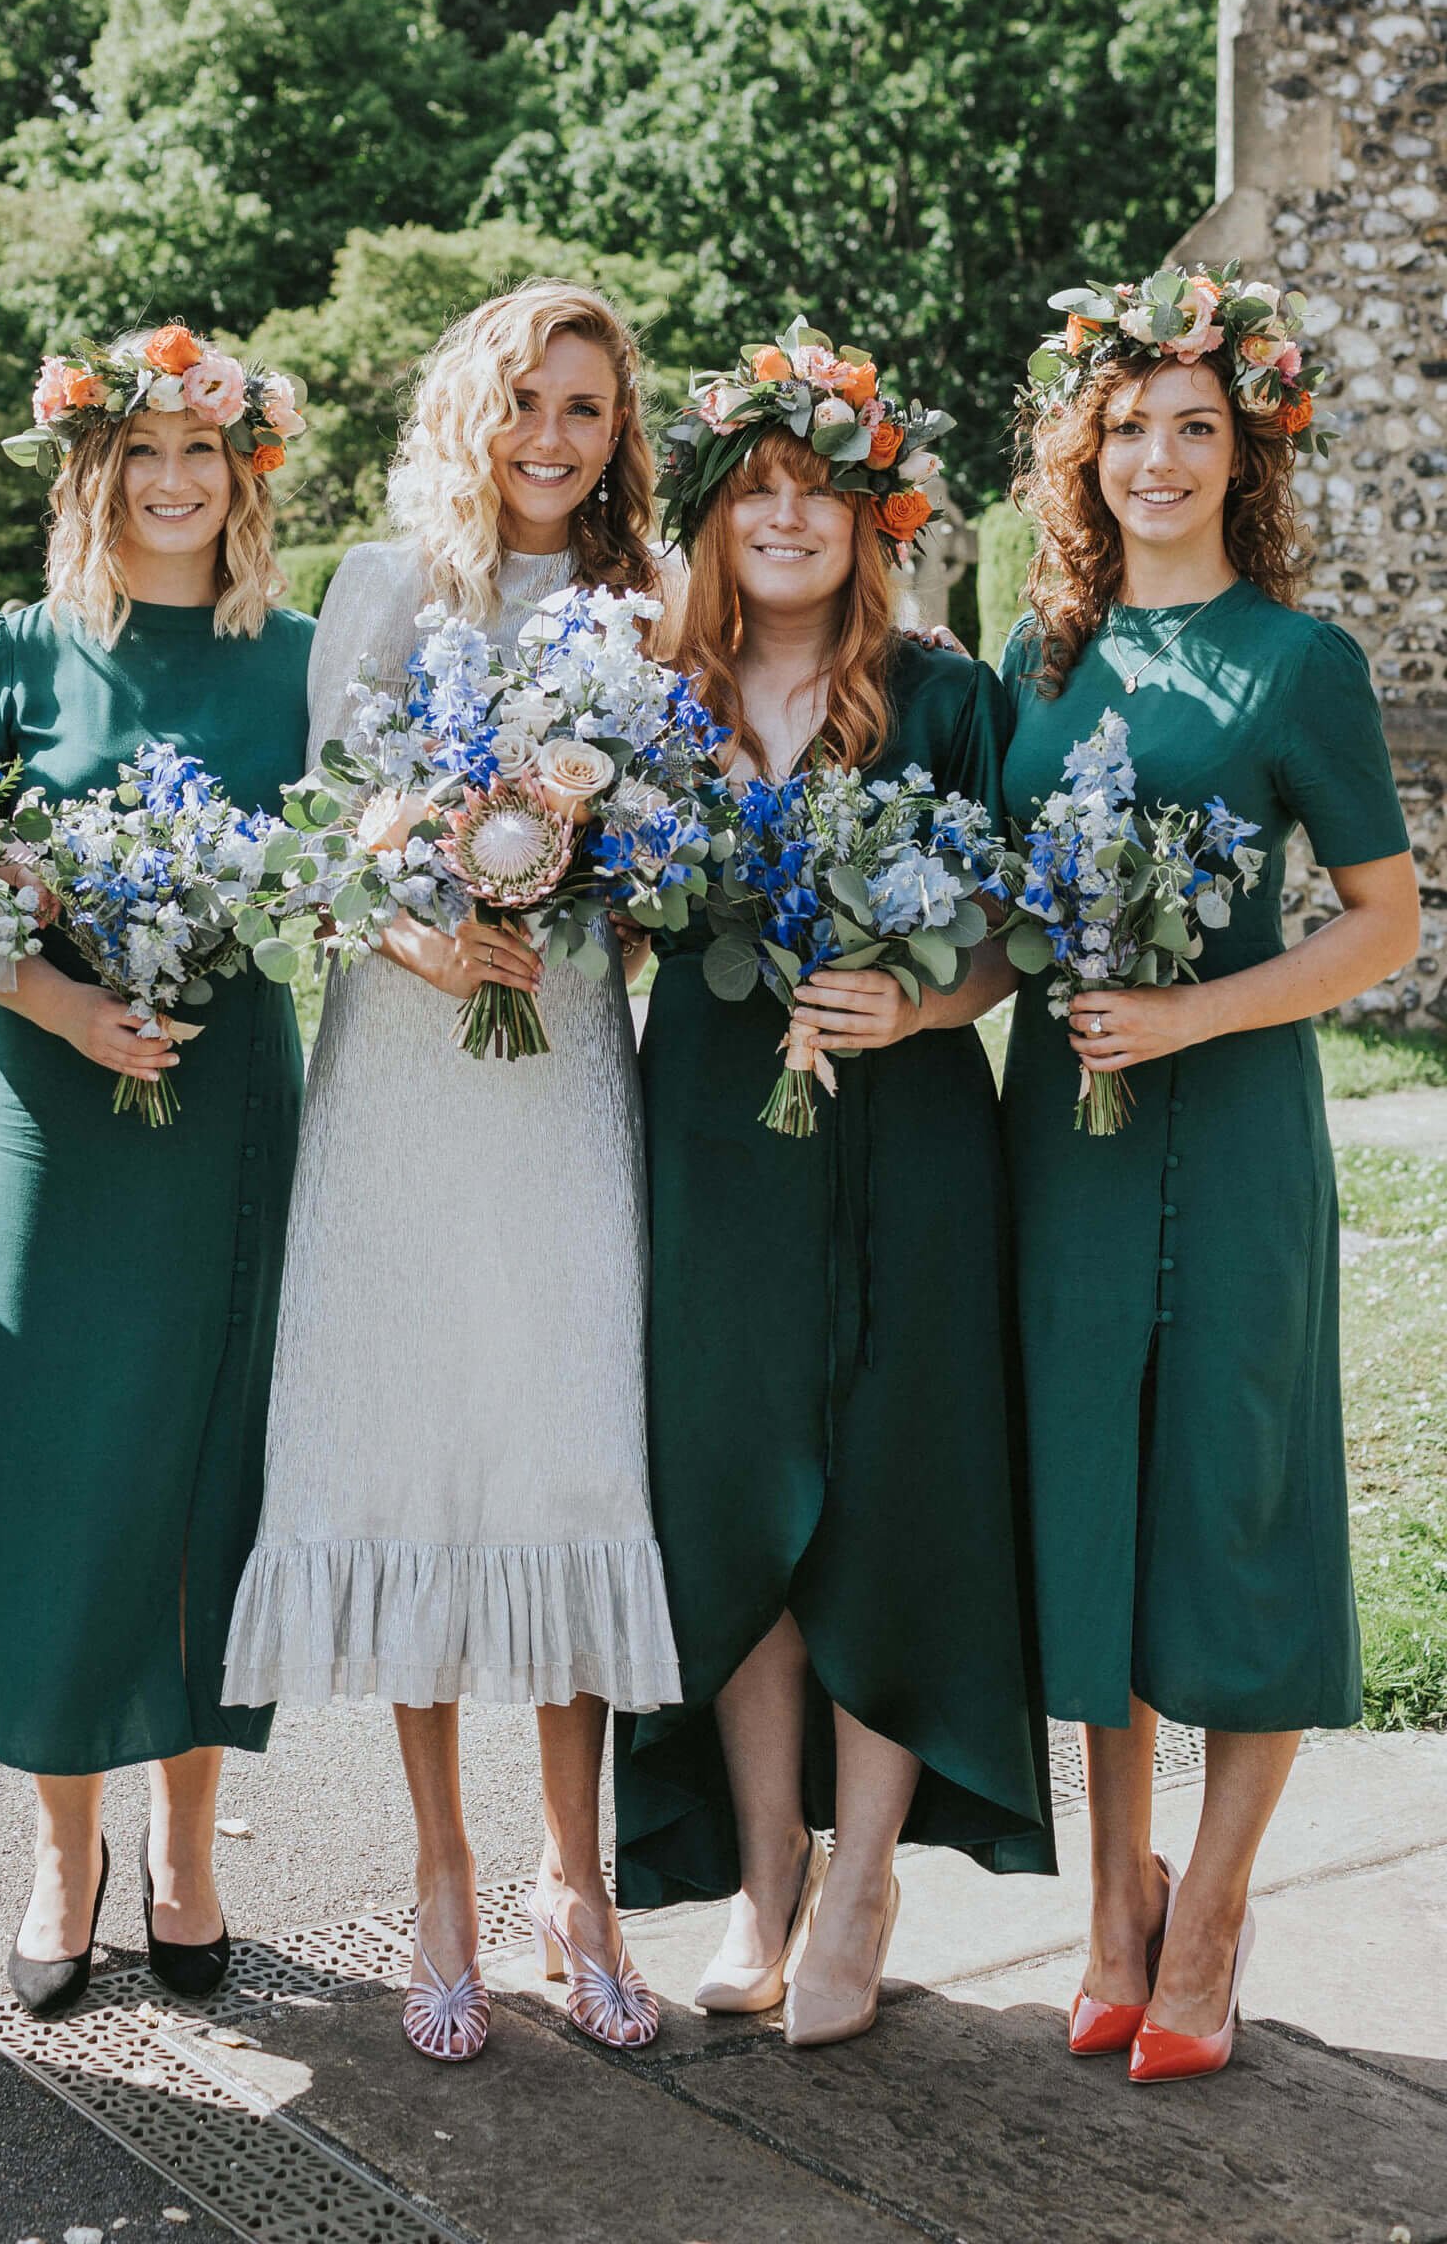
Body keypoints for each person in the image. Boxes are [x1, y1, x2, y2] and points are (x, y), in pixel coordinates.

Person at [225, 280, 681, 2063]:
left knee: (565, 1445)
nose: (554, 439)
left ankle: (579, 1884)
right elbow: (328, 822)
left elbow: (657, 839)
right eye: (527, 403)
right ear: (469, 413)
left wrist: (611, 891)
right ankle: (440, 1873)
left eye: (586, 408)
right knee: (415, 1441)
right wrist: (425, 938)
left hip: (564, 1060)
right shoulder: (379, 584)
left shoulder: (635, 606)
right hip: (408, 1069)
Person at [1001, 266, 1419, 2083]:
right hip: (1059, 1141)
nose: (1155, 459)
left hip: (1231, 1129)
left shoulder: (1300, 661)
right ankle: (1111, 1902)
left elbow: (1380, 926)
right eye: (1126, 429)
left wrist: (1194, 1018)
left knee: (1234, 1517)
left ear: (1241, 451)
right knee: (1085, 1507)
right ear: (1078, 454)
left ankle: (1217, 1911)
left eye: (1193, 428)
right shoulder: (1039, 659)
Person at [614, 328, 1051, 2048]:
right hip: (716, 1128)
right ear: (714, 519)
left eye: (818, 491)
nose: (784, 517)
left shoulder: (945, 695)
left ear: (870, 518)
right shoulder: (653, 704)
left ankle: (866, 1873)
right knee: (733, 1490)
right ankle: (765, 1879)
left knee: (892, 1483)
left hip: (914, 1131)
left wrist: (921, 999)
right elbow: (604, 912)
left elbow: (1023, 927)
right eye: (754, 492)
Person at [0, 324, 312, 2016]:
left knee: (203, 1457)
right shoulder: (5, 652)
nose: (171, 480)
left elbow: (348, 866)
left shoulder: (293, 658)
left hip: (224, 1091)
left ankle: (186, 1844)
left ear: (243, 472)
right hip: (41, 1093)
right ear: (90, 469)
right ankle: (54, 1842)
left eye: (200, 451)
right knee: (56, 1457)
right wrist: (70, 1004)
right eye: (137, 452)